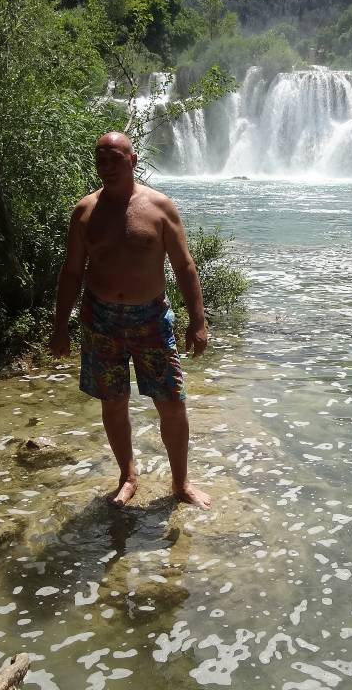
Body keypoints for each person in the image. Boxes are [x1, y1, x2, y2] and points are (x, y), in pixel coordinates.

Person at [49, 132, 211, 509]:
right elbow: (71, 272)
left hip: (151, 318)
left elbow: (185, 266)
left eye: (114, 158)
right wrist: (60, 327)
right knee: (113, 402)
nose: (106, 166)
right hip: (100, 319)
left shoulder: (160, 207)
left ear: (133, 161)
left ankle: (181, 483)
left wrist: (198, 321)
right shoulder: (85, 211)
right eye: (100, 159)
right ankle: (128, 475)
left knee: (171, 402)